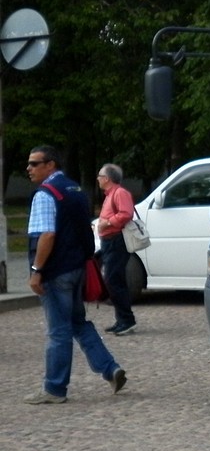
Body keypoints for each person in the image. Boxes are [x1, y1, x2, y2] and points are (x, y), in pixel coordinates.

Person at [24, 145, 126, 404]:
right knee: (79, 323)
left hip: (56, 272)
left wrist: (36, 271)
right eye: (29, 163)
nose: (29, 168)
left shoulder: (46, 194)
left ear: (51, 165)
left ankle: (55, 388)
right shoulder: (75, 190)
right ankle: (110, 368)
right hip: (77, 267)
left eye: (35, 163)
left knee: (59, 331)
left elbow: (46, 235)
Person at [96, 163, 137, 335]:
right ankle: (122, 319)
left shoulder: (120, 193)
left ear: (107, 178)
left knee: (114, 280)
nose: (97, 179)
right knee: (114, 280)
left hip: (116, 240)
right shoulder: (110, 194)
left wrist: (107, 222)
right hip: (109, 241)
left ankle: (126, 320)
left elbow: (126, 214)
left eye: (100, 176)